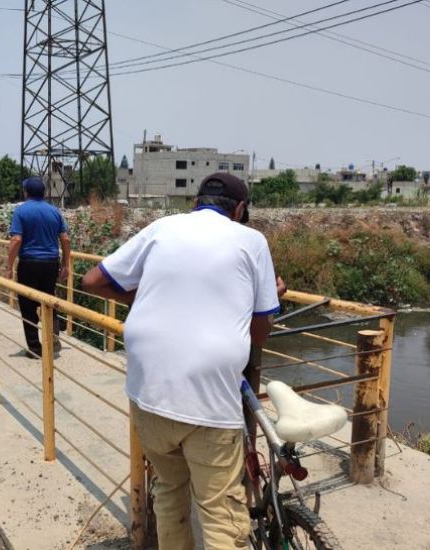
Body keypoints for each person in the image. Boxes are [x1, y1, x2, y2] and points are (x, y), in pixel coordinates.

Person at [82, 173, 282, 549]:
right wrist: (264, 298)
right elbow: (259, 333)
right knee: (221, 513)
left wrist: (149, 299)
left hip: (148, 395)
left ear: (196, 202)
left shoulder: (162, 228)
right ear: (239, 210)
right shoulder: (251, 241)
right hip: (208, 402)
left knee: (171, 492)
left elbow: (92, 280)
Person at [6, 177, 71, 358]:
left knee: (28, 306)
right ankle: (53, 336)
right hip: (51, 263)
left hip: (29, 263)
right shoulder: (54, 211)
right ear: (43, 192)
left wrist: (9, 266)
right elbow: (65, 239)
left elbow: (16, 239)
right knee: (49, 301)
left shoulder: (21, 212)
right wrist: (66, 264)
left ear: (26, 192)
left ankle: (35, 349)